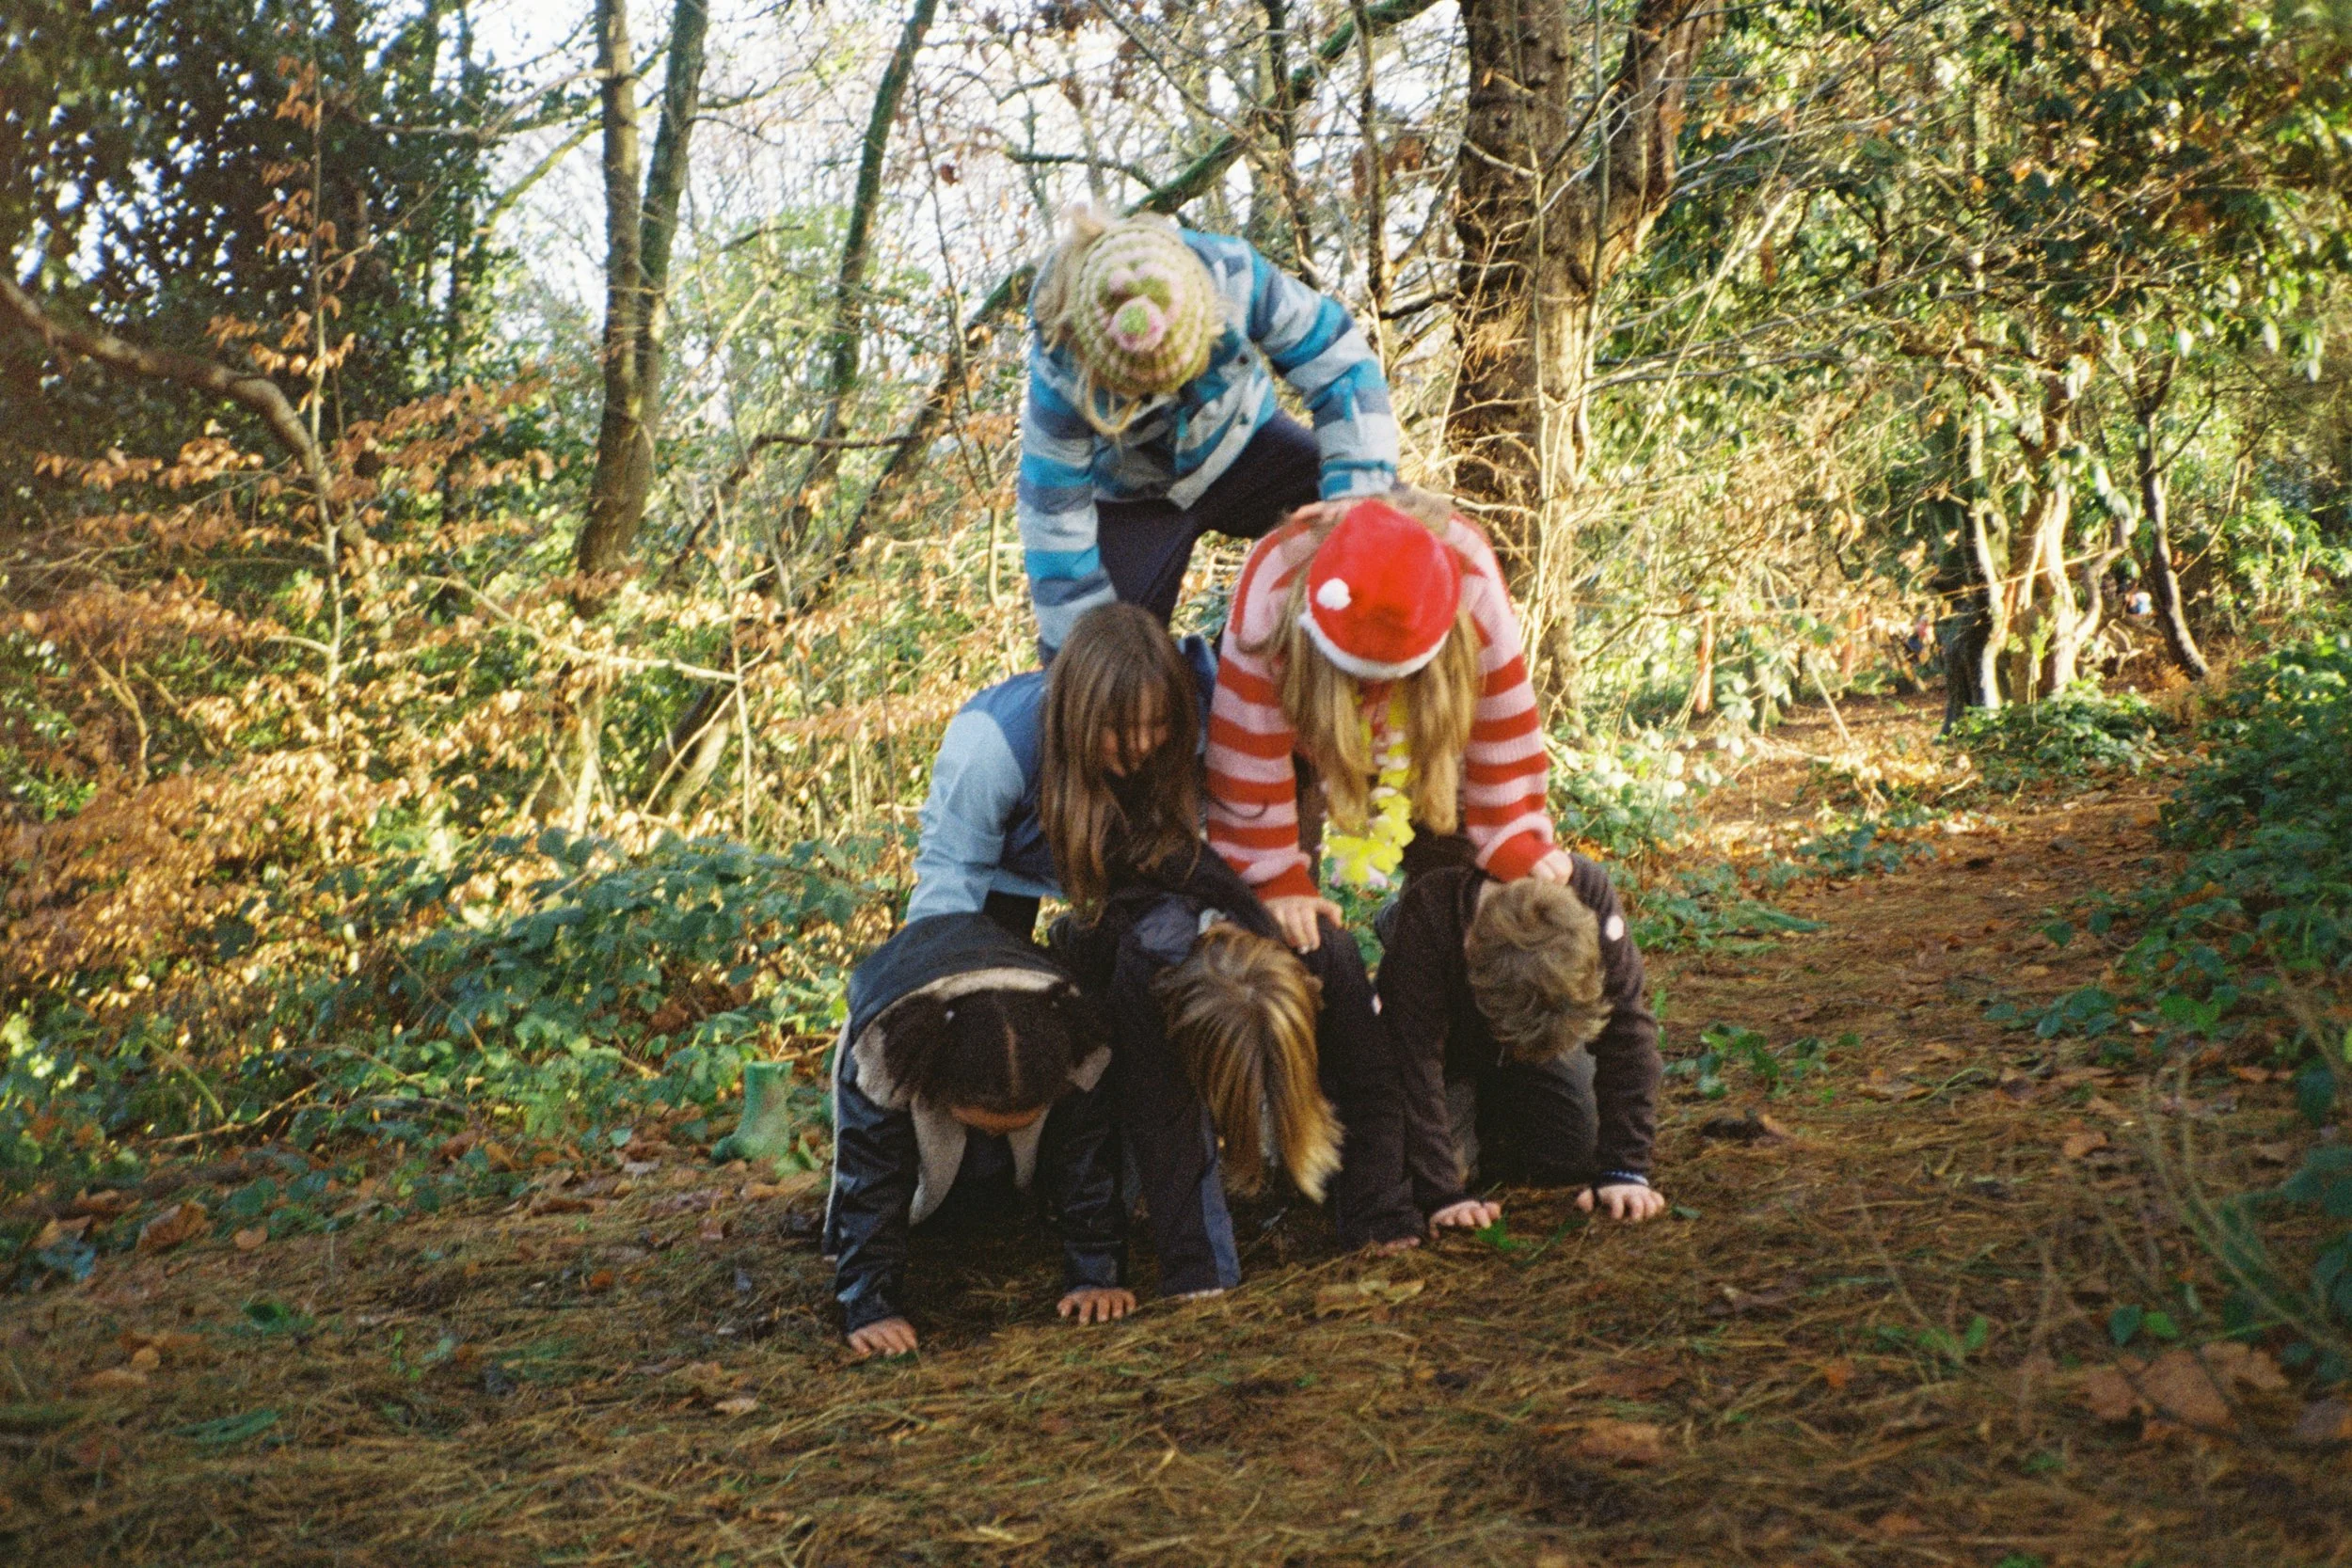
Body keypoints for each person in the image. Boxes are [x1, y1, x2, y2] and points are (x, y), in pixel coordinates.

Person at [905, 603, 1418, 1299]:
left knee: (1293, 952)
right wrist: (934, 1002)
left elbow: (1235, 849)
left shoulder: (1216, 722)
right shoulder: (991, 745)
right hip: (1011, 869)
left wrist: (1385, 1218)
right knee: (991, 1035)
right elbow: (945, 896)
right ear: (1081, 716)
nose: (1144, 743)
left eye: (1159, 724)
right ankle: (959, 1194)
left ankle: (1360, 1204)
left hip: (1158, 880)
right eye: (1122, 728)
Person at [1018, 207, 1397, 656]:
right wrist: (1080, 658)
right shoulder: (1062, 365)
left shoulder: (1232, 274)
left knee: (1380, 527)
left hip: (1246, 444)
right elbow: (1053, 515)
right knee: (1101, 658)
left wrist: (1358, 488)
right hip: (1134, 495)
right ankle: (1183, 701)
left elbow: (1338, 361)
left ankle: (1298, 672)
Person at [1205, 490, 1571, 954]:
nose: (1373, 694)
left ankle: (1412, 942)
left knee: (1468, 891)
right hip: (1302, 737)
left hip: (1426, 723)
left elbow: (1503, 715)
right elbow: (1246, 751)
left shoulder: (1469, 567)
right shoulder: (1274, 581)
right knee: (1283, 930)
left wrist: (1512, 832)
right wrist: (1274, 876)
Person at [822, 911, 1126, 1359]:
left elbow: (1087, 1160)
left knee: (1018, 1175)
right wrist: (869, 1306)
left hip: (1014, 988)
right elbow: (871, 1177)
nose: (991, 1132)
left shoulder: (1076, 1041)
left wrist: (1097, 1273)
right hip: (907, 998)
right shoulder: (886, 1052)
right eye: (983, 1123)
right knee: (908, 1180)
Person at [1375, 866, 1665, 1230]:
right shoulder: (1433, 909)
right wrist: (1443, 1193)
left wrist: (1625, 1169)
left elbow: (1628, 1030)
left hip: (1533, 1041)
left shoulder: (1590, 890)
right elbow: (1412, 1059)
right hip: (1449, 1042)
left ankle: (1500, 1103)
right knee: (1408, 1167)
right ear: (1469, 948)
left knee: (1573, 1152)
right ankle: (1392, 922)